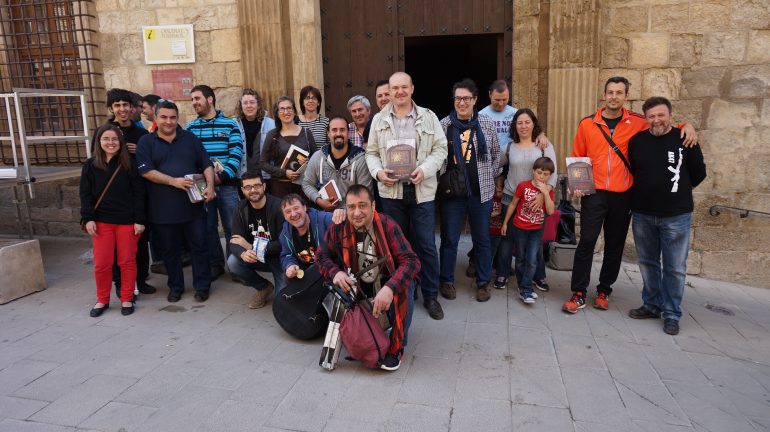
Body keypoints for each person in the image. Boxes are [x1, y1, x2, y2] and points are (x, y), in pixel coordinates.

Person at [562, 76, 697, 314]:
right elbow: (578, 156)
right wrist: (578, 186)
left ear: (626, 96)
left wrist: (687, 125)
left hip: (624, 194)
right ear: (603, 95)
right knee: (586, 242)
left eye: (619, 92)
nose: (614, 96)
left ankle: (604, 290)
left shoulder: (637, 122)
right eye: (610, 92)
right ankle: (579, 292)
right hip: (594, 193)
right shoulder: (588, 124)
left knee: (615, 245)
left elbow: (663, 127)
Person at [366, 71, 448, 320]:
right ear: (389, 92)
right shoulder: (379, 120)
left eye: (404, 87)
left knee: (425, 244)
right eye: (395, 88)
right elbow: (370, 153)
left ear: (412, 88)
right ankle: (404, 288)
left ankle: (431, 294)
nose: (399, 92)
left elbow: (440, 148)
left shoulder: (428, 117)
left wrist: (425, 170)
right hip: (391, 192)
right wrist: (379, 172)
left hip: (421, 190)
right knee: (397, 246)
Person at [316, 185, 420, 371]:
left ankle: (397, 346)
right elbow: (321, 256)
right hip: (356, 286)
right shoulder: (338, 228)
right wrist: (336, 273)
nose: (357, 212)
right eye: (351, 207)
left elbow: (411, 262)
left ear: (373, 206)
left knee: (406, 284)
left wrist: (389, 288)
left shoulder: (388, 226)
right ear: (345, 208)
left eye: (362, 206)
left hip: (384, 284)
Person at [626, 96, 706, 335]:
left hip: (676, 215)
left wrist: (676, 191)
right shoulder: (637, 141)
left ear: (670, 115)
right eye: (651, 116)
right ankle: (651, 304)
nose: (656, 120)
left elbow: (698, 174)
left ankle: (671, 313)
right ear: (646, 118)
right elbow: (634, 171)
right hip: (642, 213)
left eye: (661, 115)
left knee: (674, 267)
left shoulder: (685, 139)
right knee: (648, 263)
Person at [136, 100, 215, 303]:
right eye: (163, 117)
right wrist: (174, 182)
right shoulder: (146, 142)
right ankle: (176, 287)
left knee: (199, 247)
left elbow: (206, 164)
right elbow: (145, 171)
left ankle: (202, 286)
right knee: (170, 252)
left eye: (172, 117)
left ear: (177, 118)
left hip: (193, 207)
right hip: (163, 210)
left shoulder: (190, 139)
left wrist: (211, 187)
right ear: (155, 117)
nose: (168, 121)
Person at [437, 79, 500, 303]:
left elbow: (495, 156)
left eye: (466, 98)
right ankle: (446, 280)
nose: (461, 103)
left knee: (482, 239)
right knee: (449, 239)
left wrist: (487, 178)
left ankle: (483, 283)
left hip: (481, 193)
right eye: (458, 98)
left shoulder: (486, 123)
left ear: (475, 100)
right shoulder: (444, 125)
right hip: (452, 194)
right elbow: (438, 158)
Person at [80, 124, 145, 317]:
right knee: (102, 263)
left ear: (121, 142)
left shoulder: (130, 164)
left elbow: (139, 194)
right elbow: (85, 194)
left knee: (126, 261)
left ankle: (126, 298)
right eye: (106, 139)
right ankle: (102, 300)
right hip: (101, 222)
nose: (111, 143)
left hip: (127, 221)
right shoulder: (90, 165)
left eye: (114, 139)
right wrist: (87, 218)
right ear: (99, 142)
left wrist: (139, 220)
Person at [95, 89, 154, 296]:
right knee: (115, 248)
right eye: (117, 105)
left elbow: (150, 163)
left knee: (141, 240)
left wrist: (139, 151)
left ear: (132, 108)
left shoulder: (142, 135)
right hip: (114, 198)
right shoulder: (105, 132)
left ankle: (141, 279)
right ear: (111, 108)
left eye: (125, 105)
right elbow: (97, 162)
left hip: (138, 196)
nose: (122, 109)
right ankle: (121, 283)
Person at [186, 84, 244, 279]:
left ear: (209, 99)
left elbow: (236, 153)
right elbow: (188, 157)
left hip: (227, 186)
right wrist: (205, 181)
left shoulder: (229, 125)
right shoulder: (191, 128)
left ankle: (235, 266)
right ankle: (216, 264)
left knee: (232, 227)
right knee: (208, 228)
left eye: (197, 98)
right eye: (192, 99)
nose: (194, 103)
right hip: (203, 188)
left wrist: (220, 178)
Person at [500, 108, 558, 291]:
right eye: (520, 122)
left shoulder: (544, 146)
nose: (523, 126)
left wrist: (543, 194)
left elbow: (553, 175)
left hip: (536, 200)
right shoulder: (509, 148)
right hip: (511, 197)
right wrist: (497, 182)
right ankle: (502, 273)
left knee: (535, 240)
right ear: (515, 126)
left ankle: (538, 276)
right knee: (508, 239)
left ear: (534, 124)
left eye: (527, 122)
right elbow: (496, 167)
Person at [500, 157, 555, 304]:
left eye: (545, 174)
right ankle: (523, 286)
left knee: (531, 260)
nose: (541, 176)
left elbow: (550, 211)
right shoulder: (523, 186)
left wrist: (545, 193)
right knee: (520, 258)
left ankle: (525, 289)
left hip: (536, 230)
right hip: (520, 228)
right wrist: (505, 223)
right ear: (533, 171)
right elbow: (512, 204)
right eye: (539, 173)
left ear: (550, 176)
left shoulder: (548, 191)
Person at [228, 172, 286, 309]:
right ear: (242, 190)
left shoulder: (279, 207)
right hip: (256, 258)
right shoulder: (240, 209)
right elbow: (234, 241)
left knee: (282, 303)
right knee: (233, 262)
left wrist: (250, 247)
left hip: (279, 260)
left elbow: (283, 243)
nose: (253, 190)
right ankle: (264, 287)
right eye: (248, 187)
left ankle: (280, 288)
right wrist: (243, 253)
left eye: (257, 186)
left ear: (264, 186)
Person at [302, 117, 372, 211]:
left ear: (348, 133)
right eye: (334, 130)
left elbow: (366, 192)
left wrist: (347, 211)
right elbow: (307, 183)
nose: (338, 133)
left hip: (353, 214)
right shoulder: (318, 157)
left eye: (342, 130)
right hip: (326, 213)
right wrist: (318, 200)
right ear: (328, 133)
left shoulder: (361, 159)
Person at [260, 96, 317, 198]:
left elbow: (316, 158)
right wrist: (284, 172)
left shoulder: (306, 133)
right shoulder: (272, 135)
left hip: (303, 187)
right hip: (280, 187)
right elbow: (263, 163)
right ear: (277, 113)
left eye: (289, 108)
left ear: (294, 111)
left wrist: (307, 162)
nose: (286, 112)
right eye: (282, 109)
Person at [279, 194, 335, 278]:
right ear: (285, 217)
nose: (293, 214)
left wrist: (342, 212)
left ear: (305, 207)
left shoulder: (325, 219)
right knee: (286, 277)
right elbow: (287, 254)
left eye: (296, 208)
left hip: (331, 267)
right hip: (308, 271)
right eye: (288, 211)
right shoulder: (285, 233)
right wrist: (290, 265)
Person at [235, 88, 276, 183]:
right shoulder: (234, 124)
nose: (249, 105)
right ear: (241, 106)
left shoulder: (271, 124)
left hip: (264, 176)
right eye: (245, 103)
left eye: (252, 102)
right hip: (242, 176)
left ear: (258, 104)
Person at [297, 85, 329, 151]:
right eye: (307, 98)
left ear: (318, 103)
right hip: (301, 160)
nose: (310, 101)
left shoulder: (326, 122)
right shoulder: (296, 121)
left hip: (321, 160)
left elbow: (331, 145)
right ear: (302, 102)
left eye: (314, 98)